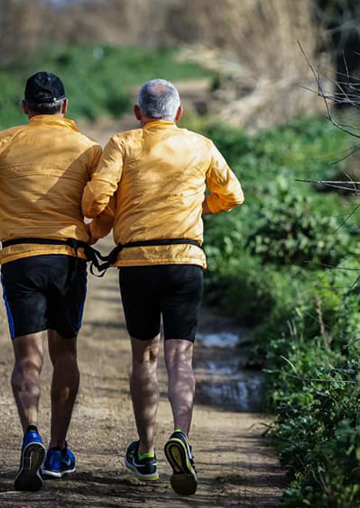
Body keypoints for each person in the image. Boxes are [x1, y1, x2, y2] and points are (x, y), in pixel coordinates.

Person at [0, 71, 112, 492]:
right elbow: (109, 202)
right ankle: (58, 449)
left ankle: (32, 435)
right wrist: (91, 233)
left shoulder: (4, 141)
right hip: (68, 260)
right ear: (65, 105)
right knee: (65, 353)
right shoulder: (87, 148)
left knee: (28, 359)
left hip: (21, 260)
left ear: (25, 108)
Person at [82, 79, 244, 495]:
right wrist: (200, 206)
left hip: (137, 264)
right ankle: (182, 438)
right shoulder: (201, 145)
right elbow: (234, 194)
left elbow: (95, 201)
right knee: (180, 359)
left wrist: (101, 217)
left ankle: (148, 455)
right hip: (185, 261)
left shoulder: (122, 143)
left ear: (139, 113)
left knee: (144, 358)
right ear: (178, 114)